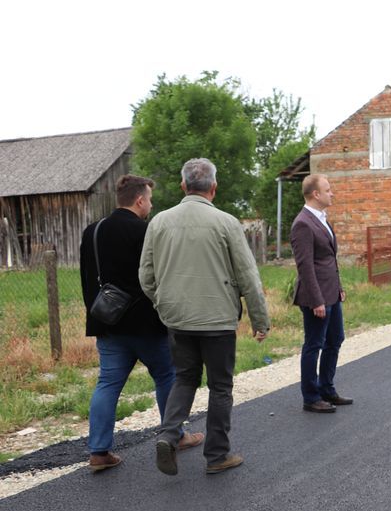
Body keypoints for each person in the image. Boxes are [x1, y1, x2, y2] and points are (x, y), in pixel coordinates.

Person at [140, 158, 270, 476]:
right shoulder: (226, 223)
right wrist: (259, 319)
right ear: (213, 187)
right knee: (220, 387)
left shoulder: (158, 223)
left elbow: (146, 276)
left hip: (178, 320)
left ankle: (169, 435)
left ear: (184, 186)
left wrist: (164, 304)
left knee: (184, 378)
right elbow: (248, 276)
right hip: (218, 320)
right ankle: (216, 455)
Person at [79, 175, 203, 473]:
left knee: (108, 383)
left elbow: (87, 278)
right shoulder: (146, 231)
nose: (151, 203)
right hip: (146, 323)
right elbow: (161, 276)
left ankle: (99, 451)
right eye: (149, 198)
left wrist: (96, 315)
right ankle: (176, 435)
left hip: (107, 321)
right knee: (166, 376)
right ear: (139, 200)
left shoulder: (92, 231)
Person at [291, 174, 352, 414]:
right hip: (315, 297)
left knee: (335, 339)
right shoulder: (303, 223)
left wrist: (338, 289)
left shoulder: (322, 219)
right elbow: (305, 266)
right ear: (315, 194)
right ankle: (311, 396)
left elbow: (328, 260)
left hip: (331, 294)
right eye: (328, 189)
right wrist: (317, 300)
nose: (332, 193)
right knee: (314, 344)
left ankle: (327, 388)